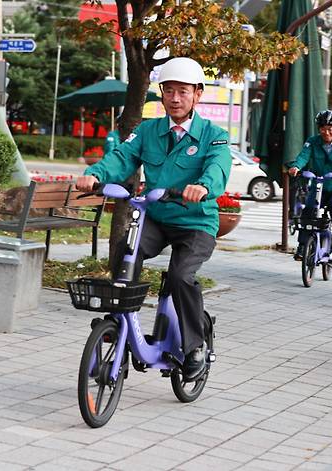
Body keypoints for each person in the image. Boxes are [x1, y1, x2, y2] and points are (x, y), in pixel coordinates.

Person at [76, 57, 231, 381]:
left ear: (197, 94)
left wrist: (203, 186)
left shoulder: (213, 135)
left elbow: (217, 168)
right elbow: (122, 158)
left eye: (183, 92)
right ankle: (119, 322)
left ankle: (194, 347)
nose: (175, 98)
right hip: (157, 217)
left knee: (180, 277)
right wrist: (94, 175)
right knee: (124, 252)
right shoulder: (148, 130)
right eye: (169, 91)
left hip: (196, 222)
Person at [287, 110, 332, 259]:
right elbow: (303, 156)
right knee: (308, 211)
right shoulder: (312, 141)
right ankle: (302, 245)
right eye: (323, 128)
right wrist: (296, 167)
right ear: (319, 129)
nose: (326, 132)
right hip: (319, 186)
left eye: (330, 128)